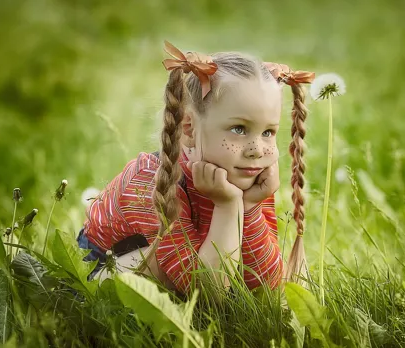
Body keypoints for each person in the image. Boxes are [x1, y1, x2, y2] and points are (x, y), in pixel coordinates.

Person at [77, 41, 313, 295]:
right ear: (189, 128)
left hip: (193, 265)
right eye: (239, 129)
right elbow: (205, 291)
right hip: (101, 277)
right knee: (161, 262)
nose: (257, 149)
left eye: (268, 132)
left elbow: (264, 282)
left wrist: (248, 208)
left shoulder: (247, 174)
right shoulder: (152, 182)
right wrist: (227, 207)